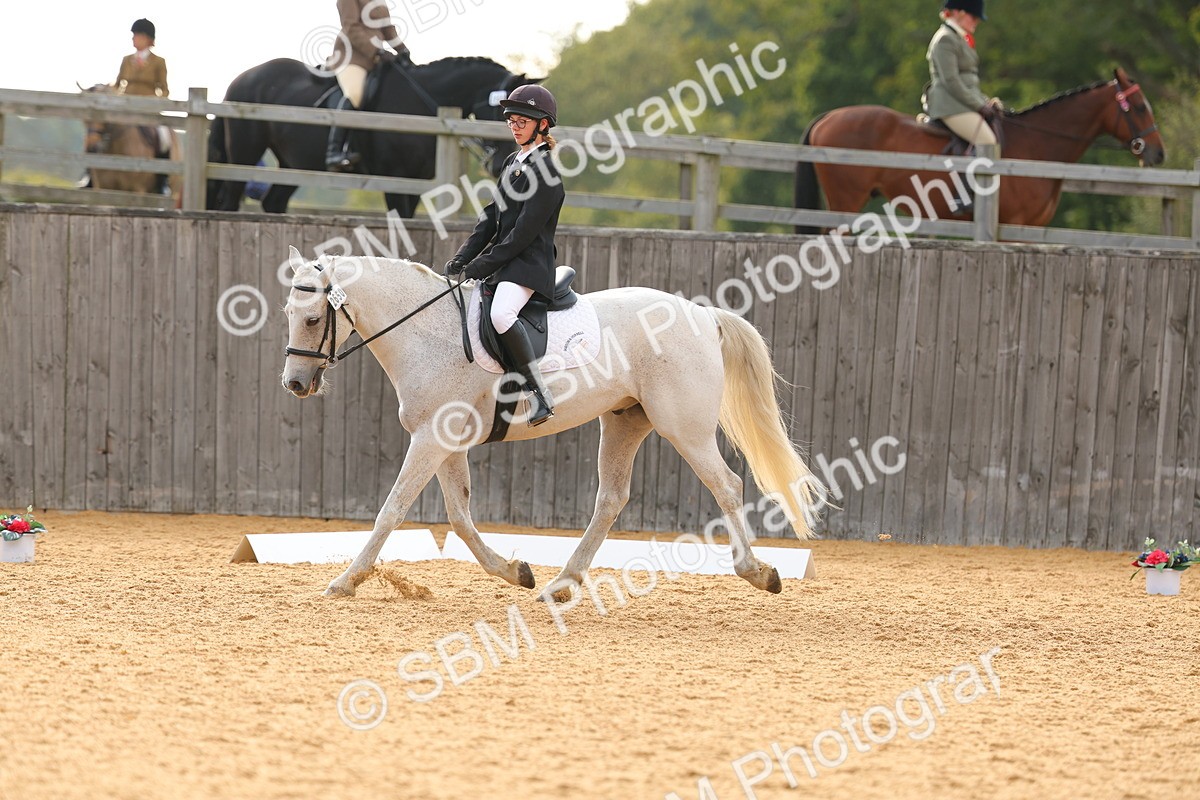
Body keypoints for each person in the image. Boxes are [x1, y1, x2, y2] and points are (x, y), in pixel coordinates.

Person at [444, 85, 565, 427]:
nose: (514, 126)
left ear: (543, 124)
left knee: (500, 313)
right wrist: (463, 256)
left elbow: (521, 236)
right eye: (512, 120)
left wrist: (480, 265)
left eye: (522, 120)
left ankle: (539, 393)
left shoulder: (548, 174)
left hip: (529, 265)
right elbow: (490, 218)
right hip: (507, 262)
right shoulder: (513, 162)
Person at [326, 0, 411, 171]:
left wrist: (402, 49)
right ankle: (334, 152)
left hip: (375, 60)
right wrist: (376, 50)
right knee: (355, 94)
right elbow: (351, 27)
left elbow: (387, 27)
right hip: (351, 57)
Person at [923, 0, 1003, 155]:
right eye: (973, 17)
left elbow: (969, 81)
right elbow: (952, 81)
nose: (977, 21)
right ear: (959, 13)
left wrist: (984, 101)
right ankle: (975, 180)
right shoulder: (945, 39)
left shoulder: (958, 38)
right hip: (950, 106)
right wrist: (979, 106)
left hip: (962, 103)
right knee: (987, 141)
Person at [116, 19, 168, 98]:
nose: (133, 38)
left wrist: (157, 102)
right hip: (127, 105)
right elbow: (117, 85)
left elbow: (164, 89)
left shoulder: (158, 61)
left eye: (136, 35)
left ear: (146, 37)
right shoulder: (126, 60)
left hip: (148, 106)